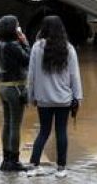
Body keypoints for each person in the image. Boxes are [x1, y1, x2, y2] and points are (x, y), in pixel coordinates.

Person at [26, 16, 83, 178]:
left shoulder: (37, 47)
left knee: (43, 131)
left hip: (43, 99)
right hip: (64, 99)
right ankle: (61, 168)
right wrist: (78, 97)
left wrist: (31, 96)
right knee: (61, 132)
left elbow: (31, 75)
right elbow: (75, 76)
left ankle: (33, 166)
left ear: (43, 28)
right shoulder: (68, 48)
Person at [0, 15, 30, 172]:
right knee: (15, 125)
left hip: (3, 88)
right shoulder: (14, 45)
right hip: (15, 88)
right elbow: (28, 59)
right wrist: (25, 42)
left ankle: (6, 160)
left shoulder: (0, 44)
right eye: (17, 26)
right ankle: (14, 161)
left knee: (7, 124)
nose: (19, 28)